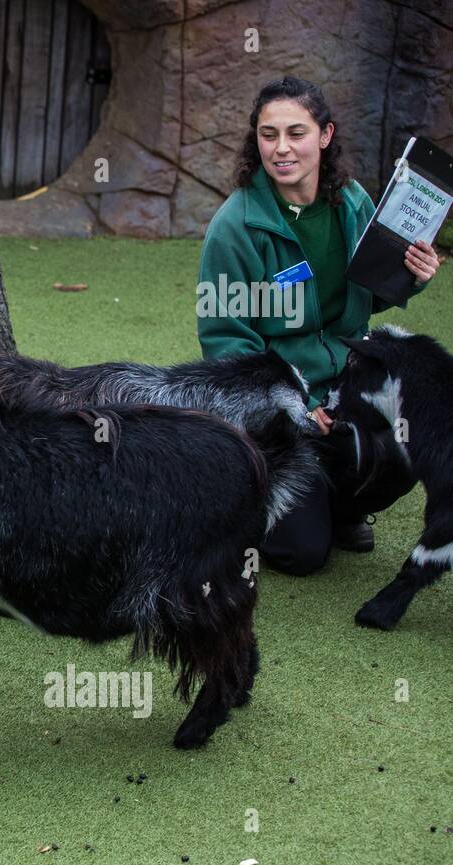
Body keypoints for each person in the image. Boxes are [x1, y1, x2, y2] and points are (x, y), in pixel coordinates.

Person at [197, 76, 442, 575]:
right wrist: (299, 403)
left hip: (347, 379)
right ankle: (255, 496)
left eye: (296, 132)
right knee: (301, 554)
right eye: (268, 135)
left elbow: (367, 296)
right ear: (256, 140)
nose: (281, 148)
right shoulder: (235, 226)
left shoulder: (350, 202)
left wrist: (412, 275)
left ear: (325, 135)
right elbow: (226, 343)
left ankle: (344, 507)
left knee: (411, 438)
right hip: (276, 399)